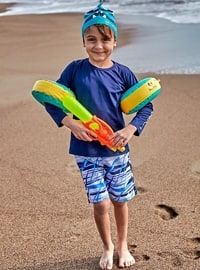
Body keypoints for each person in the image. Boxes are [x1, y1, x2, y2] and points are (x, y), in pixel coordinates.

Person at [45, 1, 153, 269]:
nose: (98, 46)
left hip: (116, 150)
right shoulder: (74, 70)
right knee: (101, 203)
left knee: (119, 200)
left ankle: (123, 244)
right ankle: (107, 247)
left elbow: (146, 106)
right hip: (86, 152)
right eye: (91, 39)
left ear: (115, 41)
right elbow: (50, 99)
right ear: (83, 41)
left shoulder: (123, 73)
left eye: (105, 40)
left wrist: (130, 128)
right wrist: (71, 124)